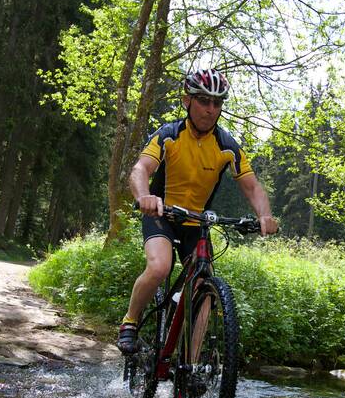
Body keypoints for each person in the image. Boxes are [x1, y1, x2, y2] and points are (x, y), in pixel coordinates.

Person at [117, 68, 278, 354]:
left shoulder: (227, 145)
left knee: (205, 290)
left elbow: (252, 187)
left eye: (217, 103)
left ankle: (191, 363)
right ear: (186, 101)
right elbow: (140, 169)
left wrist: (264, 215)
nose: (210, 109)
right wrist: (144, 196)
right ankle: (130, 321)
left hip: (196, 224)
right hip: (161, 216)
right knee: (159, 267)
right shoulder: (169, 135)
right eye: (204, 100)